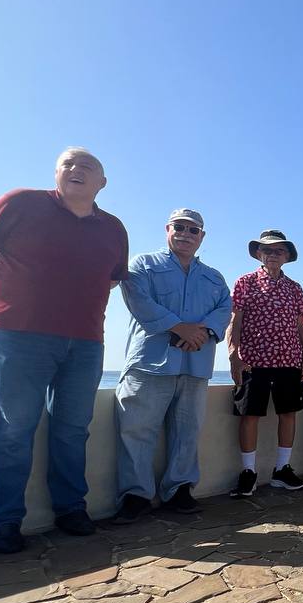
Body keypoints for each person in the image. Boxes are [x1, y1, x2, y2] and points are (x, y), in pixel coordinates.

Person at [0, 147, 129, 553]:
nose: (76, 170)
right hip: (20, 334)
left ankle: (70, 509)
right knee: (14, 427)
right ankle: (5, 522)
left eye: (87, 166)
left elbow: (114, 279)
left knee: (73, 428)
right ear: (55, 174)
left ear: (102, 183)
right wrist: (9, 286)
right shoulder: (22, 203)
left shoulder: (114, 228)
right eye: (68, 164)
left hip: (86, 341)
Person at [113, 209, 232, 523]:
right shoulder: (142, 265)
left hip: (196, 364)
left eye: (193, 230)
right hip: (150, 364)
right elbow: (139, 301)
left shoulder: (215, 277)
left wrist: (203, 332)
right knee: (137, 431)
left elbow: (224, 310)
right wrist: (180, 328)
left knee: (187, 431)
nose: (186, 234)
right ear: (167, 229)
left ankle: (179, 489)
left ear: (201, 237)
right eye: (179, 227)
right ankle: (135, 496)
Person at [227, 230, 303, 497]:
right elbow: (235, 320)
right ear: (259, 254)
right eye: (268, 250)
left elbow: (301, 327)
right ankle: (248, 473)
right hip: (253, 360)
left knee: (288, 414)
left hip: (289, 360)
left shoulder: (295, 288)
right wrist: (233, 354)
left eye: (279, 250)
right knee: (249, 415)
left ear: (286, 256)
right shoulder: (245, 282)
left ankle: (282, 469)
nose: (273, 254)